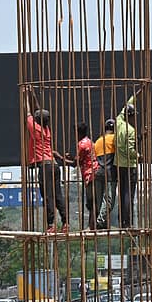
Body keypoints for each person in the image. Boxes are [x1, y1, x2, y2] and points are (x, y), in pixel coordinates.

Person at [24, 87, 68, 234]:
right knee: (58, 195)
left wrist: (25, 96)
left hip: (46, 167)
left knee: (48, 196)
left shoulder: (35, 129)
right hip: (54, 166)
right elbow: (37, 110)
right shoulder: (46, 129)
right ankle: (66, 222)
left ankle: (51, 225)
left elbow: (29, 112)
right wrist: (33, 94)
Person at [113, 92, 140, 228]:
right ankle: (127, 223)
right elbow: (130, 151)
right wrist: (138, 156)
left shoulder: (118, 122)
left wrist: (135, 96)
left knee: (121, 194)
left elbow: (124, 108)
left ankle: (121, 221)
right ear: (132, 116)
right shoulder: (131, 130)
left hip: (118, 164)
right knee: (129, 195)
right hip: (129, 166)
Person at [66, 122, 99, 230]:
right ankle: (92, 225)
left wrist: (59, 157)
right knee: (93, 201)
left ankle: (92, 226)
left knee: (91, 202)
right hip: (95, 172)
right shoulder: (90, 142)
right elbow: (79, 159)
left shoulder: (81, 144)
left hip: (90, 174)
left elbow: (75, 163)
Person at [94, 118, 116, 229]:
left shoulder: (98, 141)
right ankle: (100, 221)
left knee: (99, 200)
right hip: (109, 173)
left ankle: (101, 222)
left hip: (98, 173)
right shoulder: (114, 140)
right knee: (109, 201)